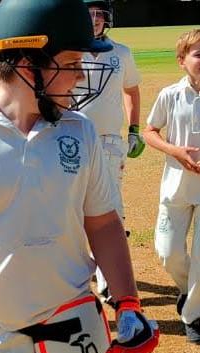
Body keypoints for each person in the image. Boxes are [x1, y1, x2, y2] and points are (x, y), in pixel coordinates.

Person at [0, 0, 159, 353]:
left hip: (72, 327)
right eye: (71, 64)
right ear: (28, 64)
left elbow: (102, 223)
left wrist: (128, 304)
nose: (81, 76)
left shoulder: (81, 131)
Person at [78, 0, 144, 303]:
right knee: (73, 208)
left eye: (99, 15)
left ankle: (107, 281)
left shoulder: (122, 53)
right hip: (73, 139)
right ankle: (77, 277)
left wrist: (133, 130)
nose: (94, 20)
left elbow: (131, 91)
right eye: (88, 14)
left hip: (109, 141)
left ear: (107, 19)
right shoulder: (69, 48)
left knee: (111, 207)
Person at [143, 28, 200, 344]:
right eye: (198, 53)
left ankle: (193, 314)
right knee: (168, 253)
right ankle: (188, 290)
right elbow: (151, 131)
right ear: (182, 60)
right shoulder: (170, 94)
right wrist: (175, 151)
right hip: (176, 189)